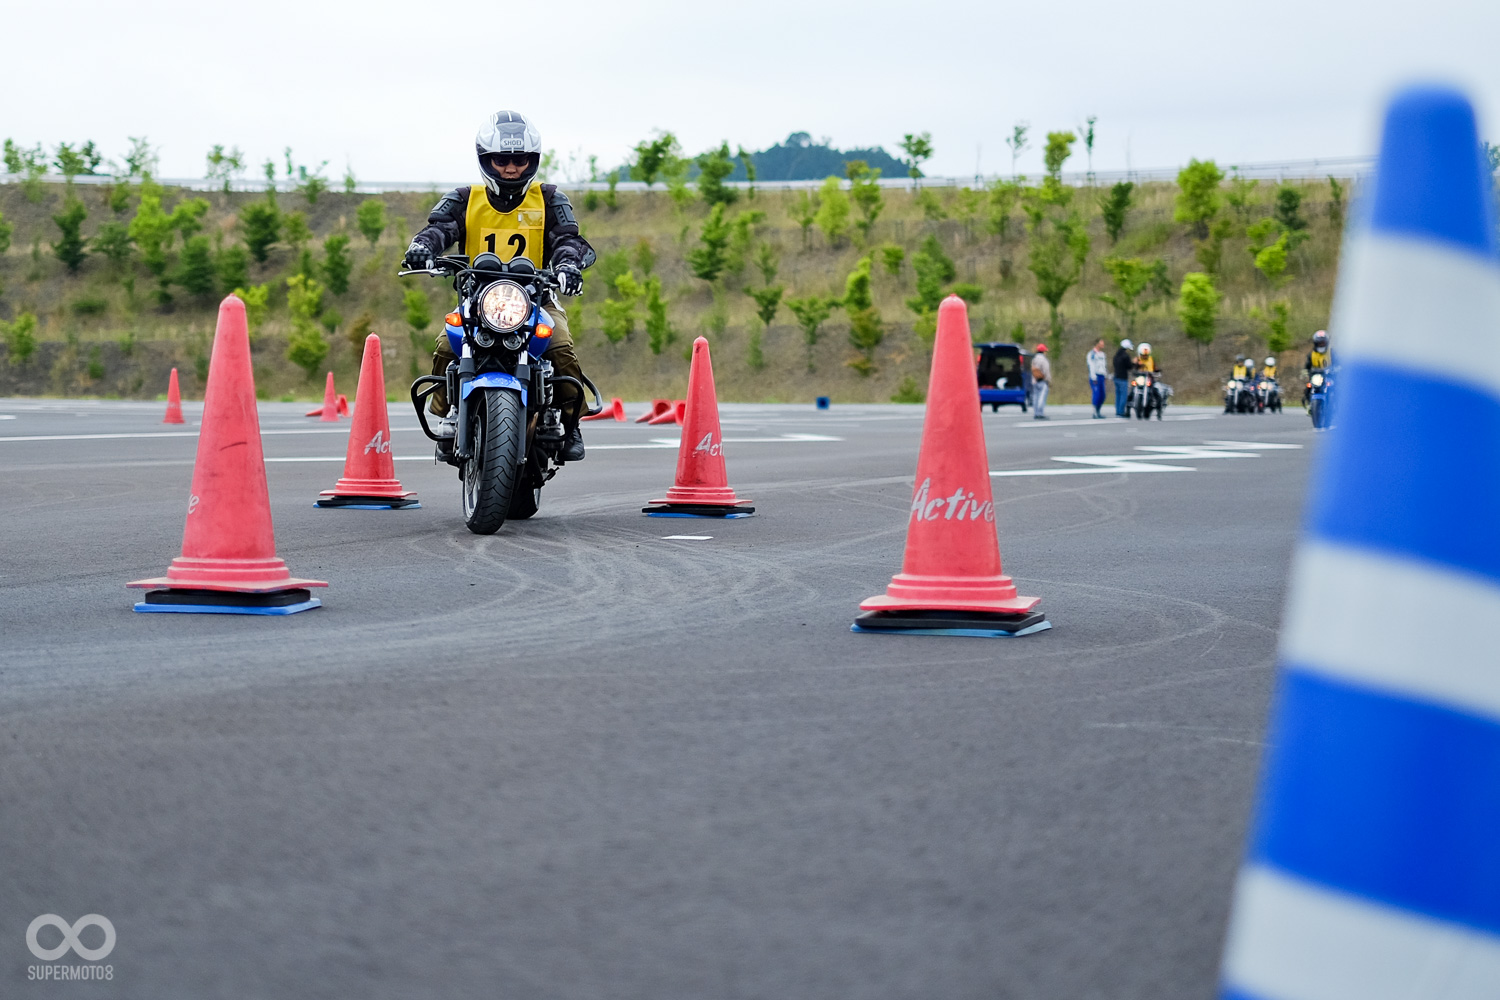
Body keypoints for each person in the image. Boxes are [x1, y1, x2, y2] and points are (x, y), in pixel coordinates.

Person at [405, 110, 597, 462]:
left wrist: (569, 264)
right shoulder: (465, 198)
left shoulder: (551, 198)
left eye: (520, 160)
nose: (511, 168)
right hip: (478, 300)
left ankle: (571, 423)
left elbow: (569, 239)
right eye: (502, 159)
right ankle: (448, 412)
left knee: (561, 347)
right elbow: (439, 228)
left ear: (532, 160)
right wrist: (423, 249)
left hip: (537, 299)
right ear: (486, 159)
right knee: (446, 345)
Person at [1086, 338, 1108, 419]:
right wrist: (1093, 377)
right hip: (1095, 376)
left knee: (1103, 395)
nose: (1103, 344)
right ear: (1097, 344)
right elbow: (1091, 366)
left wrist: (1105, 375)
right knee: (1097, 394)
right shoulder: (1092, 354)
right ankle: (1094, 411)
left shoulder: (1102, 354)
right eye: (1101, 343)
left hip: (1102, 375)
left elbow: (1104, 366)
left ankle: (1099, 410)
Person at [1112, 338, 1134, 417]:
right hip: (1123, 378)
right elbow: (1129, 366)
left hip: (1116, 377)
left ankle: (1118, 411)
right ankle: (1121, 411)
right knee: (1123, 395)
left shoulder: (1116, 355)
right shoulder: (1125, 356)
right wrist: (1134, 363)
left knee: (1118, 395)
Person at [1030, 343, 1051, 420]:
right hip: (1042, 381)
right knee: (1042, 397)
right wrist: (1048, 380)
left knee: (1036, 397)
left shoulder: (1034, 359)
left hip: (1035, 381)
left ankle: (1036, 412)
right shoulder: (1043, 360)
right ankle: (1040, 413)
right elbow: (1046, 371)